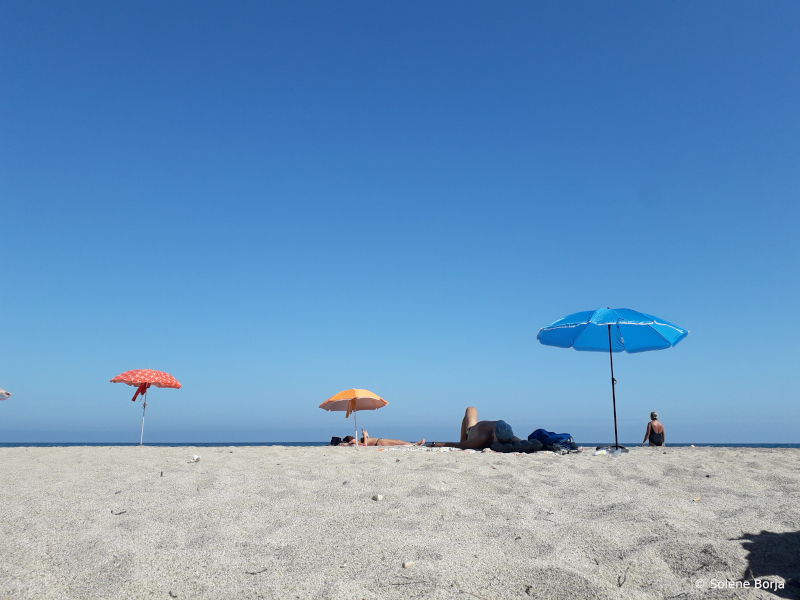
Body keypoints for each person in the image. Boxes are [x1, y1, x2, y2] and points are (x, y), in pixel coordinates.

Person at [428, 407, 518, 449]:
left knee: (470, 410)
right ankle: (463, 438)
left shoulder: (482, 439)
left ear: (492, 437)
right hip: (477, 426)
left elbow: (459, 446)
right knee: (471, 409)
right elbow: (521, 441)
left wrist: (435, 444)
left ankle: (463, 438)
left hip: (470, 430)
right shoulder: (506, 431)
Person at [340, 429, 425, 447]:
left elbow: (367, 440)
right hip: (378, 442)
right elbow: (365, 445)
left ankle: (414, 444)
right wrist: (364, 436)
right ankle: (415, 444)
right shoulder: (354, 442)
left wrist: (365, 435)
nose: (353, 437)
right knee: (398, 442)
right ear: (350, 440)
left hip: (378, 440)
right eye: (351, 437)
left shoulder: (357, 440)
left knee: (398, 441)